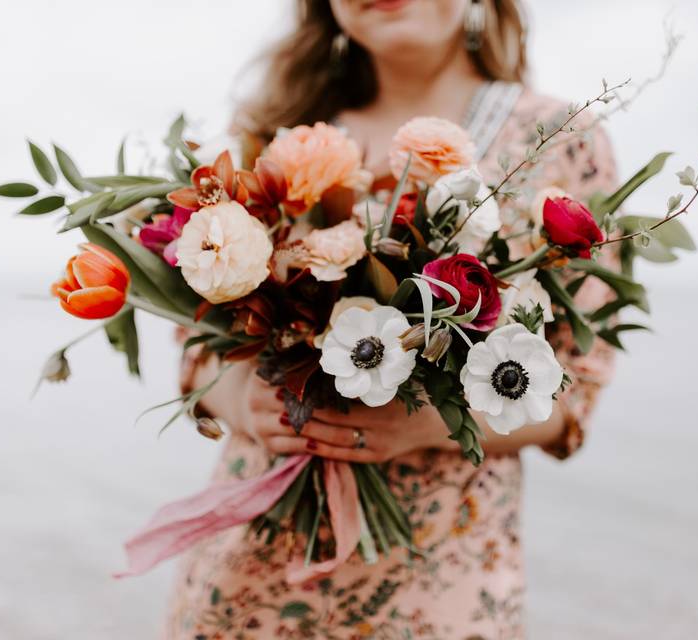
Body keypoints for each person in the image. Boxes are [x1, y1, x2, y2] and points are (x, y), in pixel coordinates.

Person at [167, 1, 618, 637]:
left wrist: (435, 422)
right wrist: (242, 400)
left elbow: (578, 389)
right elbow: (195, 343)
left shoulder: (559, 138)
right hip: (251, 574)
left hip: (436, 579)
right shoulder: (276, 135)